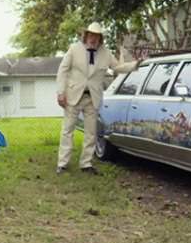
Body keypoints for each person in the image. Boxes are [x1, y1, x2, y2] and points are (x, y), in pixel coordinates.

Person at [55, 22, 140, 174]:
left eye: (97, 36)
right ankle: (62, 164)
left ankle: (86, 164)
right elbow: (62, 71)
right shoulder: (74, 49)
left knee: (91, 132)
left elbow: (117, 68)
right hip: (73, 96)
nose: (93, 39)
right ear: (86, 35)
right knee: (67, 130)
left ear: (100, 38)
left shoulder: (105, 53)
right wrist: (61, 93)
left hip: (93, 98)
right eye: (91, 35)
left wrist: (136, 64)